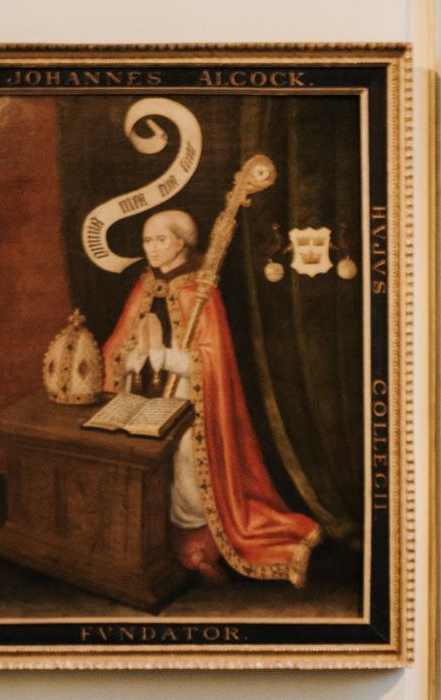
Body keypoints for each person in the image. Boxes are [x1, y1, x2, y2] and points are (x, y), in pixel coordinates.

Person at [102, 209, 320, 587]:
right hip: (141, 394)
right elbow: (120, 346)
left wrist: (169, 357)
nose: (151, 249)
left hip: (192, 400)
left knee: (184, 456)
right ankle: (148, 538)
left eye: (160, 240)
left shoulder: (199, 292)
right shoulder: (145, 286)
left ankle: (196, 538)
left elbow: (213, 361)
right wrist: (136, 357)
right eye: (146, 242)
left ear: (182, 242)